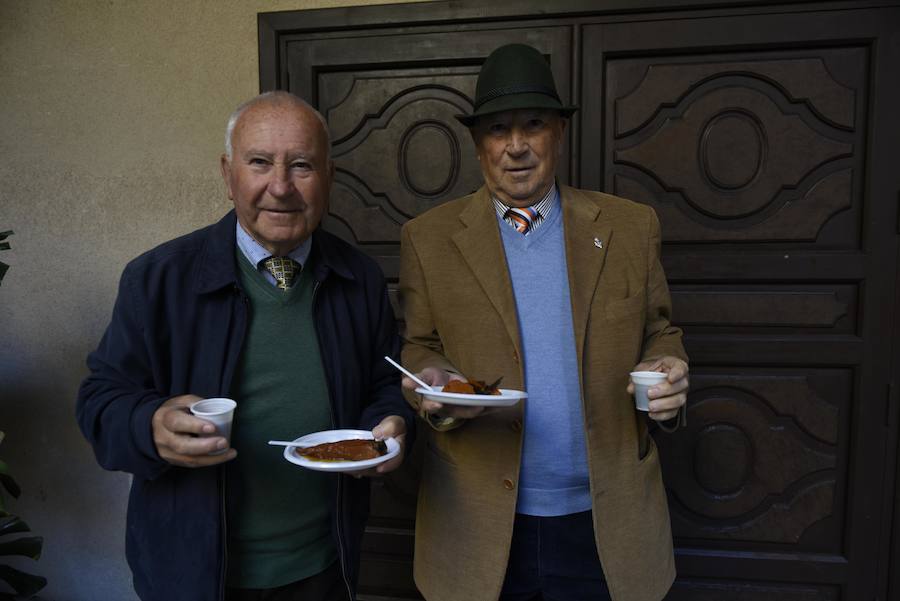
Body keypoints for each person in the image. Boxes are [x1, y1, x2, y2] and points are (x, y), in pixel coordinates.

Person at [76, 91, 415, 601]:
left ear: (329, 177)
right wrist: (149, 426)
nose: (280, 188)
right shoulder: (157, 279)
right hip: (196, 576)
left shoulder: (360, 278)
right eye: (259, 163)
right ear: (227, 172)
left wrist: (393, 420)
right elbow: (99, 401)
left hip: (324, 565)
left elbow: (385, 382)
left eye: (302, 165)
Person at [398, 44, 689, 601]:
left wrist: (667, 366)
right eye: (497, 129)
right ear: (478, 143)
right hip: (478, 522)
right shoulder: (427, 238)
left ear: (558, 133)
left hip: (607, 521)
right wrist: (431, 379)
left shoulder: (630, 227)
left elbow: (660, 331)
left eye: (533, 125)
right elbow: (419, 344)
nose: (515, 147)